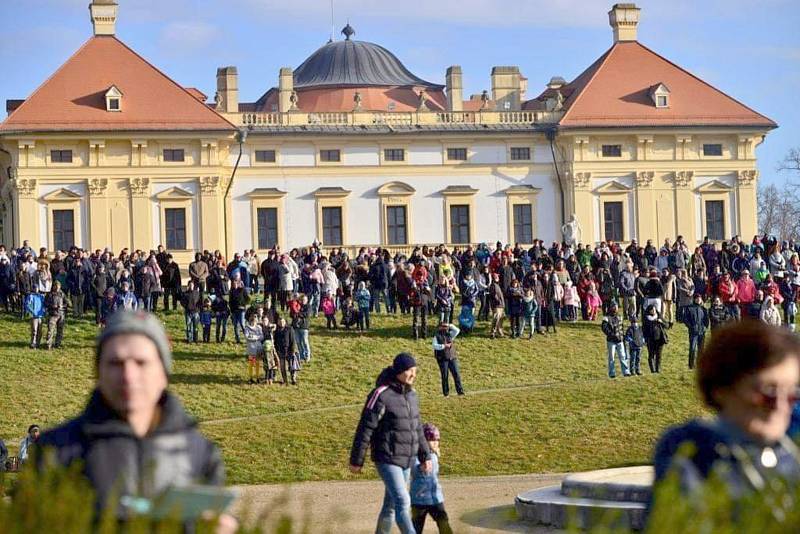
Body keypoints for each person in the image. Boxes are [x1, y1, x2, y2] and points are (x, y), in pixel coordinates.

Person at [34, 311, 234, 530]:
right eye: (115, 363)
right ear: (98, 371)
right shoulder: (54, 450)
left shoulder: (200, 452)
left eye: (141, 362)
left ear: (163, 372)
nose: (128, 375)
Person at [652, 320, 800, 503]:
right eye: (768, 391)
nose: (781, 405)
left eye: (792, 394)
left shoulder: (790, 453)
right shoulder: (693, 453)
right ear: (722, 388)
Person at [350, 353, 432, 534]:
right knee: (403, 500)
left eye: (415, 370)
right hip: (386, 457)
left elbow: (417, 428)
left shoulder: (412, 395)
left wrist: (425, 455)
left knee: (391, 505)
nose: (413, 374)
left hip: (406, 458)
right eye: (410, 370)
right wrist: (357, 460)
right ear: (399, 371)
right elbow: (365, 428)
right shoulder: (380, 394)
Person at [410, 423, 454, 534]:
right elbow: (413, 470)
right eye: (432, 440)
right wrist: (421, 466)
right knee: (416, 527)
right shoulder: (417, 455)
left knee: (443, 523)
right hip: (419, 499)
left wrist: (435, 454)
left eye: (437, 440)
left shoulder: (434, 454)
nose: (435, 443)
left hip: (435, 498)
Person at [432, 322, 465, 397]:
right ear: (440, 327)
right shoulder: (436, 336)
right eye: (443, 326)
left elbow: (457, 330)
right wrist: (444, 346)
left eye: (446, 327)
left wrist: (450, 325)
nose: (445, 328)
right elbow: (435, 346)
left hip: (452, 357)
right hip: (442, 358)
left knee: (456, 374)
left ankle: (460, 391)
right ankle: (446, 393)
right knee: (445, 376)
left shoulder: (450, 334)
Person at [601, 303, 630, 378]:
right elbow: (604, 328)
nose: (615, 309)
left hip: (620, 340)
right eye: (614, 307)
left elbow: (622, 327)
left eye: (616, 307)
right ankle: (612, 373)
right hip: (611, 341)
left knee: (623, 356)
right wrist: (612, 335)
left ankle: (626, 371)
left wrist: (623, 337)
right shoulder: (606, 318)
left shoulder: (620, 317)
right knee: (611, 358)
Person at [683, 293, 710, 369]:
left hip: (702, 331)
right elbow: (685, 319)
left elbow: (706, 320)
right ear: (694, 299)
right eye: (697, 298)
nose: (698, 300)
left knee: (701, 349)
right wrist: (691, 327)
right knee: (692, 348)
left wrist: (705, 327)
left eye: (699, 298)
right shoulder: (689, 308)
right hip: (693, 332)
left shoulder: (704, 309)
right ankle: (691, 365)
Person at [273, 316, 300, 385]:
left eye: (282, 322)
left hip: (289, 350)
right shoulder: (276, 331)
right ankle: (285, 380)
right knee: (282, 367)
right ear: (278, 323)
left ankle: (293, 379)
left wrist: (292, 351)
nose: (281, 323)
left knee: (291, 366)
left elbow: (292, 341)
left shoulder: (289, 329)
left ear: (285, 322)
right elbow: (275, 341)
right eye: (280, 322)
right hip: (280, 351)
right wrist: (276, 351)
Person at [643, 305, 669, 373]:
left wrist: (661, 322)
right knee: (651, 355)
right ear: (649, 311)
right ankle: (652, 370)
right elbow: (644, 330)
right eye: (652, 310)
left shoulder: (659, 316)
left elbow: (667, 325)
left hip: (660, 339)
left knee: (659, 355)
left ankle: (658, 369)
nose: (653, 311)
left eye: (654, 310)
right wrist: (645, 339)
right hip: (650, 340)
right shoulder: (646, 319)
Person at [44, 280, 68, 350]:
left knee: (60, 330)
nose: (57, 288)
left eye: (58, 286)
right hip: (52, 314)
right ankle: (48, 344)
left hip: (61, 314)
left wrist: (62, 306)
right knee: (50, 330)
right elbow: (45, 304)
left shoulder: (62, 294)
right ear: (53, 286)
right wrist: (52, 306)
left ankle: (58, 343)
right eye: (56, 286)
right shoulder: (49, 294)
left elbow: (67, 303)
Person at [244, 312, 264, 384]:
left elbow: (262, 337)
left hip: (258, 348)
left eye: (255, 320)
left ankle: (258, 377)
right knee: (251, 363)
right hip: (251, 348)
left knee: (258, 363)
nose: (254, 321)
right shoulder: (247, 328)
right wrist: (255, 338)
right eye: (253, 320)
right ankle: (251, 378)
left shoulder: (259, 327)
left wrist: (254, 337)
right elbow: (247, 337)